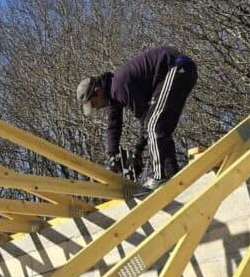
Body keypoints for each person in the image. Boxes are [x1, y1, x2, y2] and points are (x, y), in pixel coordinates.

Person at [76, 45, 198, 190]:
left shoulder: (119, 86)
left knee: (154, 126)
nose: (95, 108)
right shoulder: (113, 95)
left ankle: (158, 177)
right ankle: (172, 174)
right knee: (160, 128)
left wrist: (138, 150)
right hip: (175, 73)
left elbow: (145, 119)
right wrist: (112, 155)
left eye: (93, 104)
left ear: (97, 90)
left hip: (176, 68)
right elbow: (113, 125)